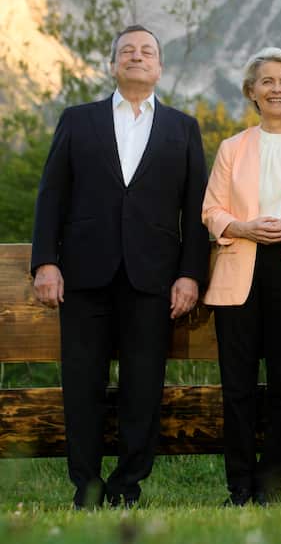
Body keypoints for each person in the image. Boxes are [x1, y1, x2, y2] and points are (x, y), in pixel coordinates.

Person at [30, 25, 207, 508]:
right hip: (83, 277)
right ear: (111, 65)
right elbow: (51, 196)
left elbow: (195, 211)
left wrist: (190, 273)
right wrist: (45, 262)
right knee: (82, 385)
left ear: (159, 67)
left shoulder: (183, 128)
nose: (136, 56)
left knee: (142, 389)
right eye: (126, 50)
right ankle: (85, 486)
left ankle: (128, 486)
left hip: (153, 280)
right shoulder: (77, 120)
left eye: (147, 50)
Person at [201, 47, 281, 505]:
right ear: (251, 92)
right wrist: (241, 226)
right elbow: (210, 209)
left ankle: (270, 486)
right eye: (266, 82)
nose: (276, 89)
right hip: (241, 270)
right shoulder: (231, 149)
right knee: (236, 387)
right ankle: (239, 486)